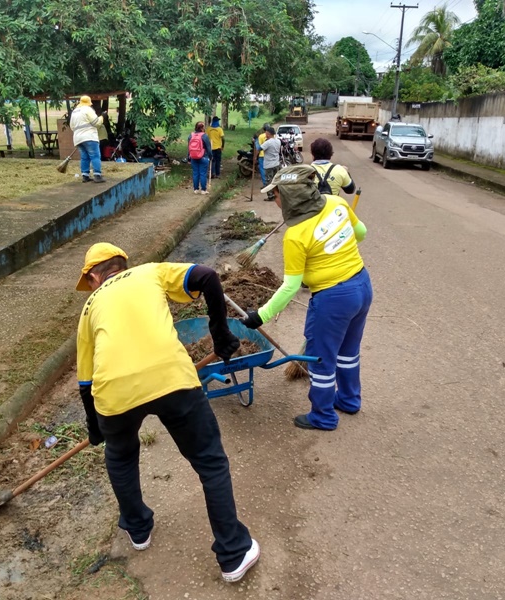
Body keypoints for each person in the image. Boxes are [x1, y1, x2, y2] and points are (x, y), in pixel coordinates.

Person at [75, 243, 260, 582]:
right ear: (122, 264)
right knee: (209, 461)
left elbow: (85, 381)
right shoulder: (150, 272)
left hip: (114, 394)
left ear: (93, 278)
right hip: (171, 379)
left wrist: (95, 425)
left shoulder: (89, 308)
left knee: (120, 456)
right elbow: (207, 276)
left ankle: (138, 529)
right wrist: (220, 333)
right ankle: (233, 553)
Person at [239, 165, 372, 431]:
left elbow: (290, 287)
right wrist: (335, 242)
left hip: (333, 299)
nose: (274, 199)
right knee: (348, 352)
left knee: (320, 359)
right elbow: (361, 234)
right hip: (361, 286)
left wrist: (261, 316)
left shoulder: (296, 235)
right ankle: (349, 400)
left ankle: (323, 416)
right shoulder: (336, 202)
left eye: (276, 194)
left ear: (289, 197)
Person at [69, 95, 106, 183]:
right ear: (89, 103)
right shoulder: (88, 109)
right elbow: (96, 123)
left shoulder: (75, 112)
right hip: (89, 137)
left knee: (84, 157)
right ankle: (97, 175)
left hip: (78, 139)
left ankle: (85, 176)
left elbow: (72, 127)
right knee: (95, 156)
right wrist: (102, 117)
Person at [257, 127, 281, 201]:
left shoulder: (268, 142)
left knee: (268, 181)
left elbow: (259, 148)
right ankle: (278, 194)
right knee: (276, 180)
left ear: (269, 134)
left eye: (266, 133)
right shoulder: (278, 141)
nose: (265, 135)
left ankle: (271, 196)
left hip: (269, 165)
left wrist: (256, 142)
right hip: (276, 163)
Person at [188, 122, 212, 194]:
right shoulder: (204, 136)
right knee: (203, 173)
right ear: (202, 128)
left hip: (193, 157)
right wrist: (211, 157)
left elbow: (189, 148)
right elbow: (208, 148)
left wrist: (189, 157)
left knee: (195, 173)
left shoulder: (191, 135)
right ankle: (203, 190)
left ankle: (196, 189)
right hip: (203, 157)